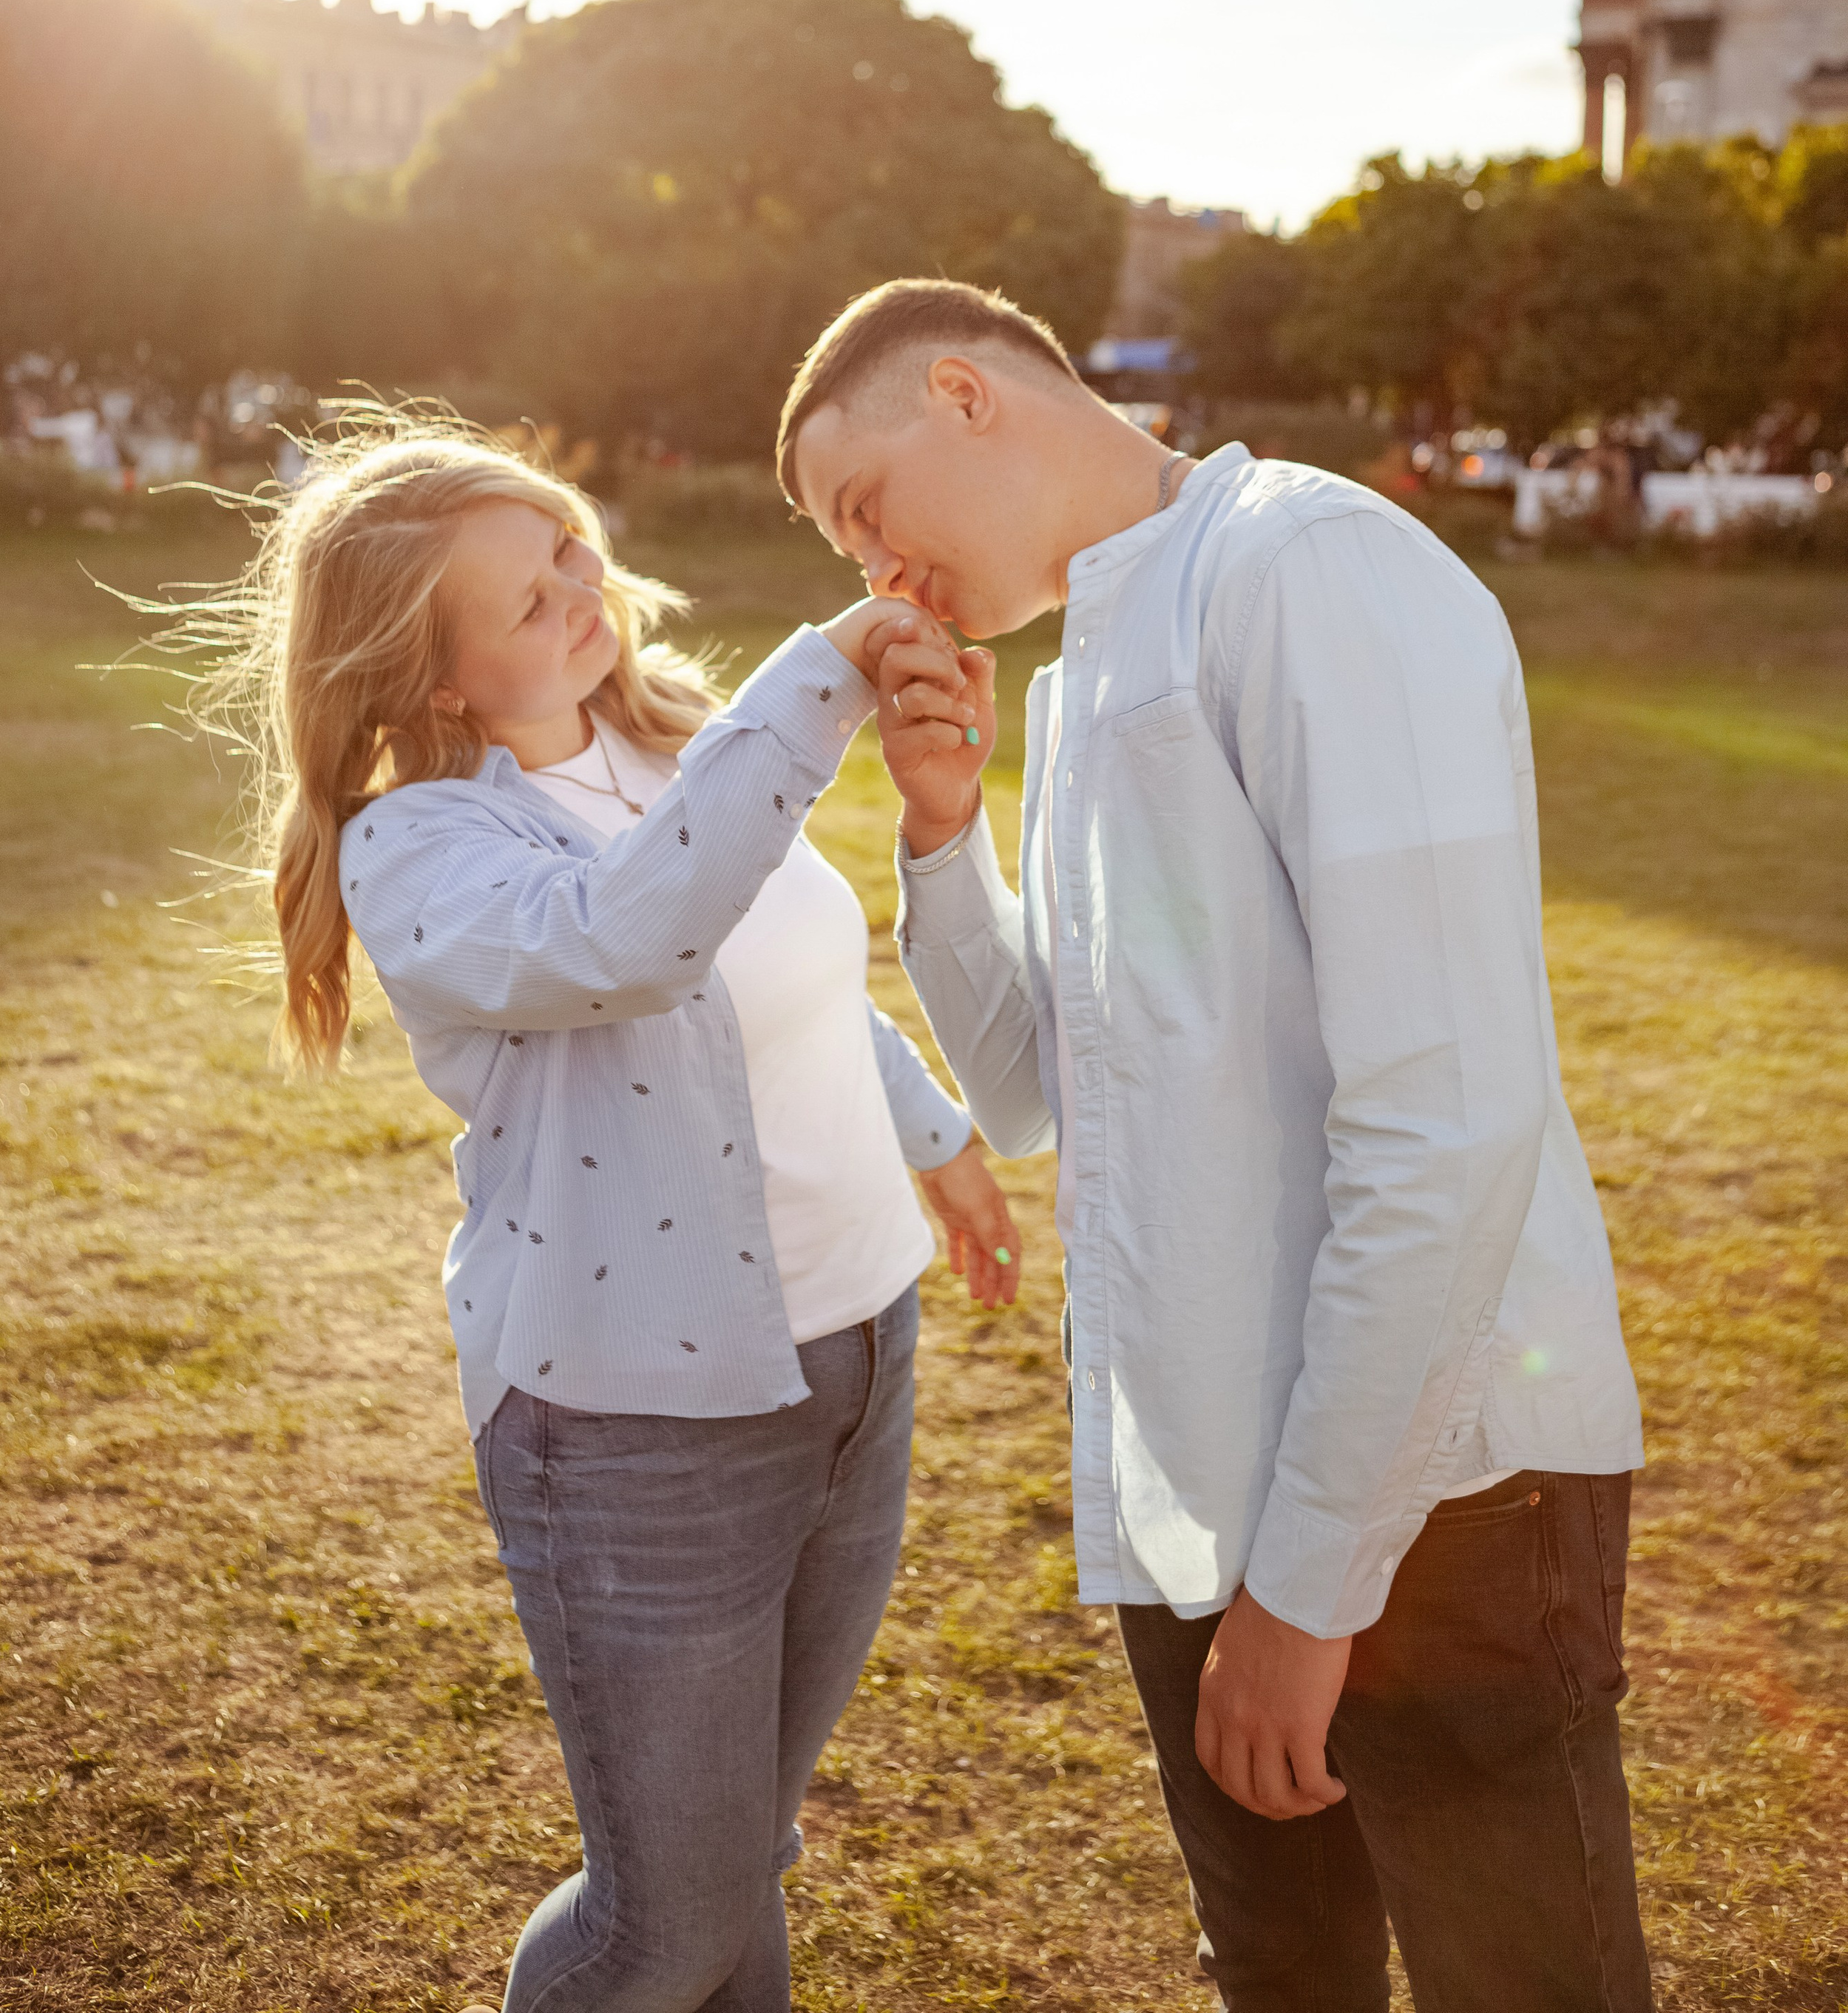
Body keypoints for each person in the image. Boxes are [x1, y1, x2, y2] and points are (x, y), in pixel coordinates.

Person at [777, 280, 1652, 2013]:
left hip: (1437, 1493)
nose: (875, 574)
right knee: (1280, 1973)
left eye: (862, 508)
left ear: (961, 392)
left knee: (1526, 1986)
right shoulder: (1083, 670)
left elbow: (1442, 1122)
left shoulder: (1305, 569)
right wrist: (943, 837)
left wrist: (1308, 1595)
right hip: (1197, 1484)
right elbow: (1033, 1094)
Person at [191, 415, 1019, 2013]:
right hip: (639, 1429)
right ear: (438, 682)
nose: (583, 592)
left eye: (568, 550)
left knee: (739, 1861)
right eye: (527, 598)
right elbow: (631, 941)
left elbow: (783, 971)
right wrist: (824, 677)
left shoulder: (679, 733)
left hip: (860, 1356)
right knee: (662, 1929)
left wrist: (936, 1133)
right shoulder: (418, 847)